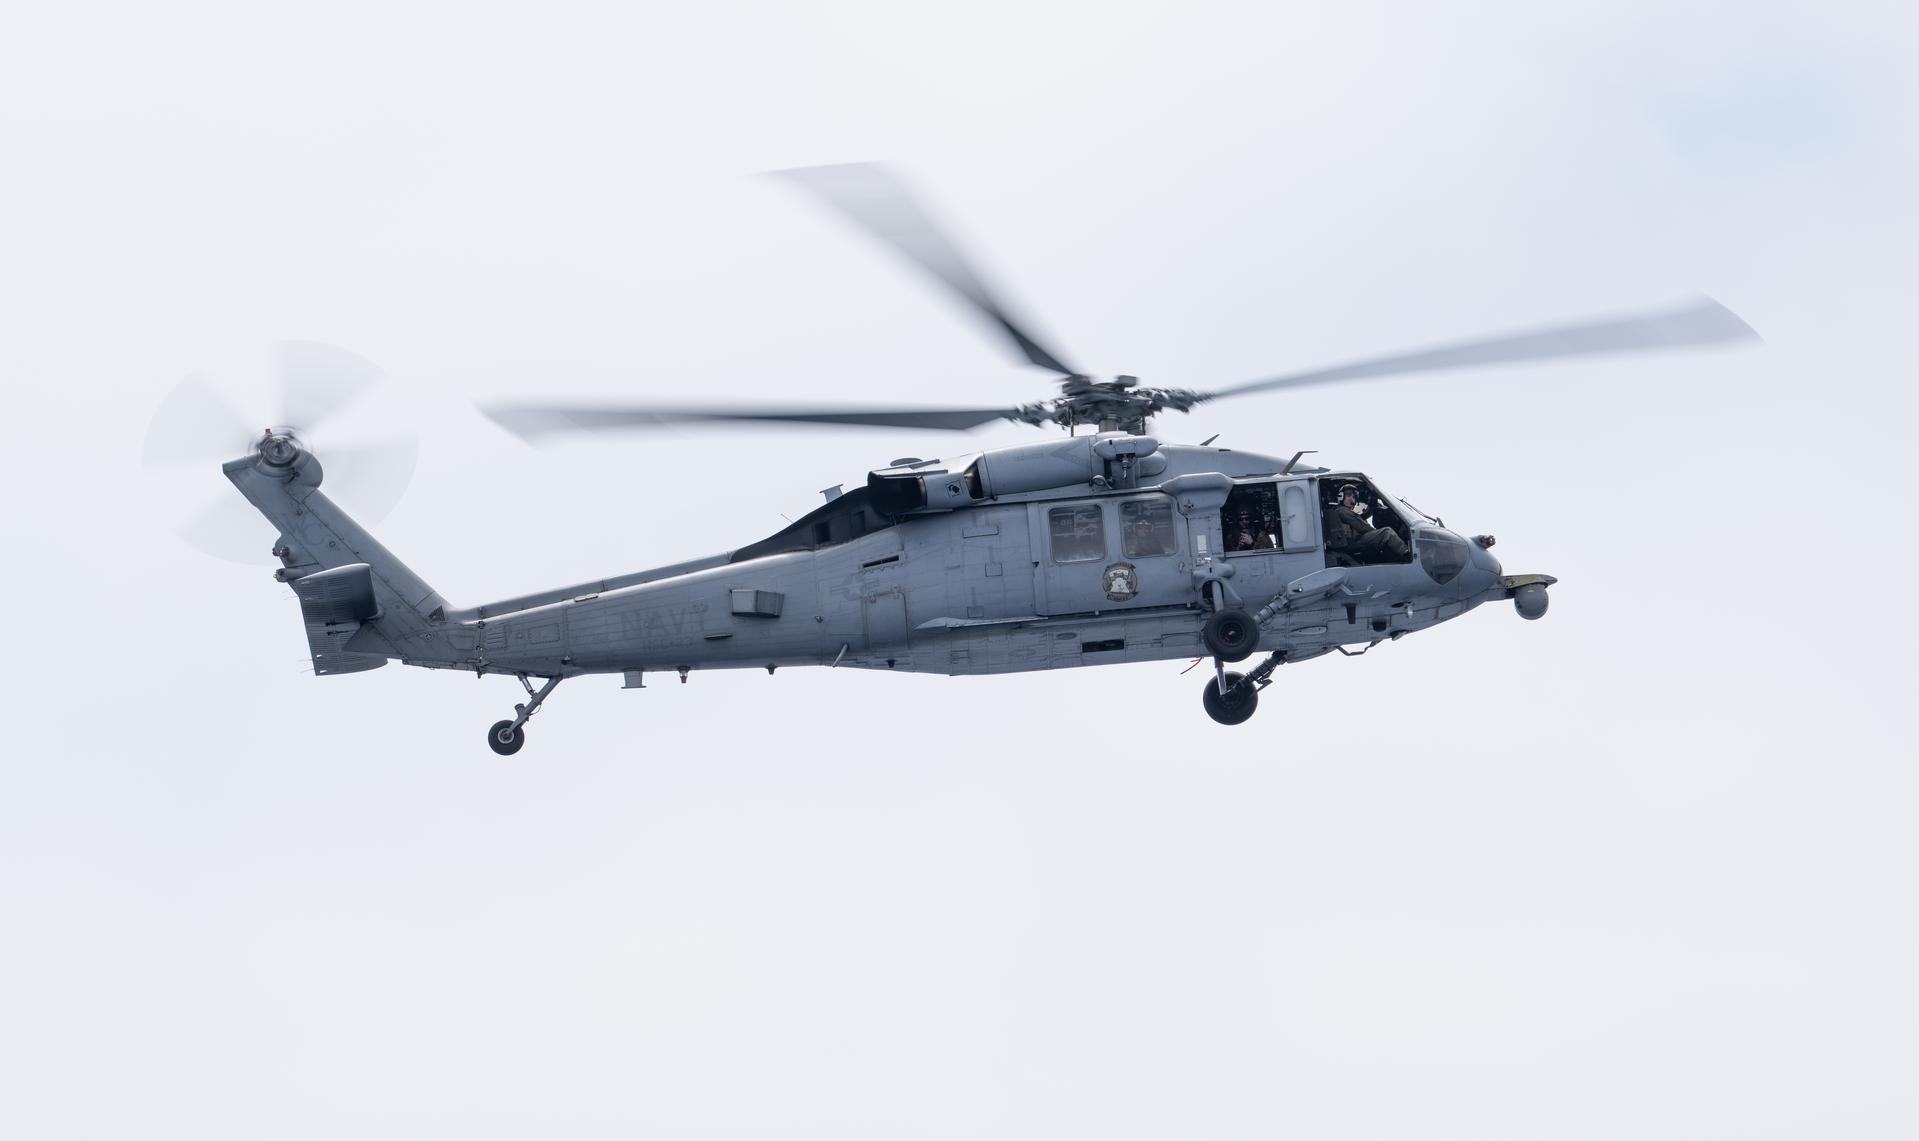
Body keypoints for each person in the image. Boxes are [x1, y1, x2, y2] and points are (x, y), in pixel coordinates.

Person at [1323, 483, 1408, 565]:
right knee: (1387, 533)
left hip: (1353, 541)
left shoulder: (1344, 512)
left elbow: (1360, 519)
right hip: (1354, 542)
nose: (1352, 499)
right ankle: (1407, 555)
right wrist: (1376, 534)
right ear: (1341, 497)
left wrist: (1371, 508)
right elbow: (1363, 527)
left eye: (1354, 497)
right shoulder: (1342, 511)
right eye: (1348, 495)